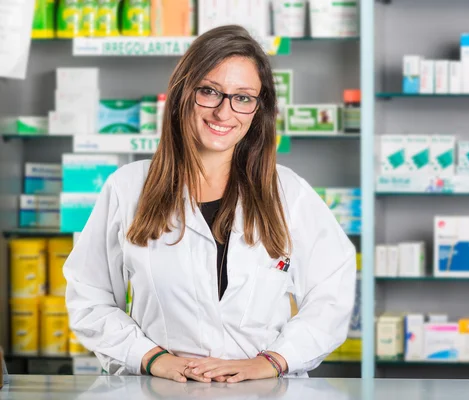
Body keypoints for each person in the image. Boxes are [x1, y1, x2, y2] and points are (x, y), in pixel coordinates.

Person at [63, 25, 356, 384]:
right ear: (183, 93)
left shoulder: (288, 193)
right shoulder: (128, 188)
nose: (224, 111)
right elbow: (89, 298)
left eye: (243, 97)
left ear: (257, 109)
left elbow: (332, 295)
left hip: (262, 391)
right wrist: (151, 358)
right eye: (209, 91)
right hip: (162, 389)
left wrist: (274, 361)